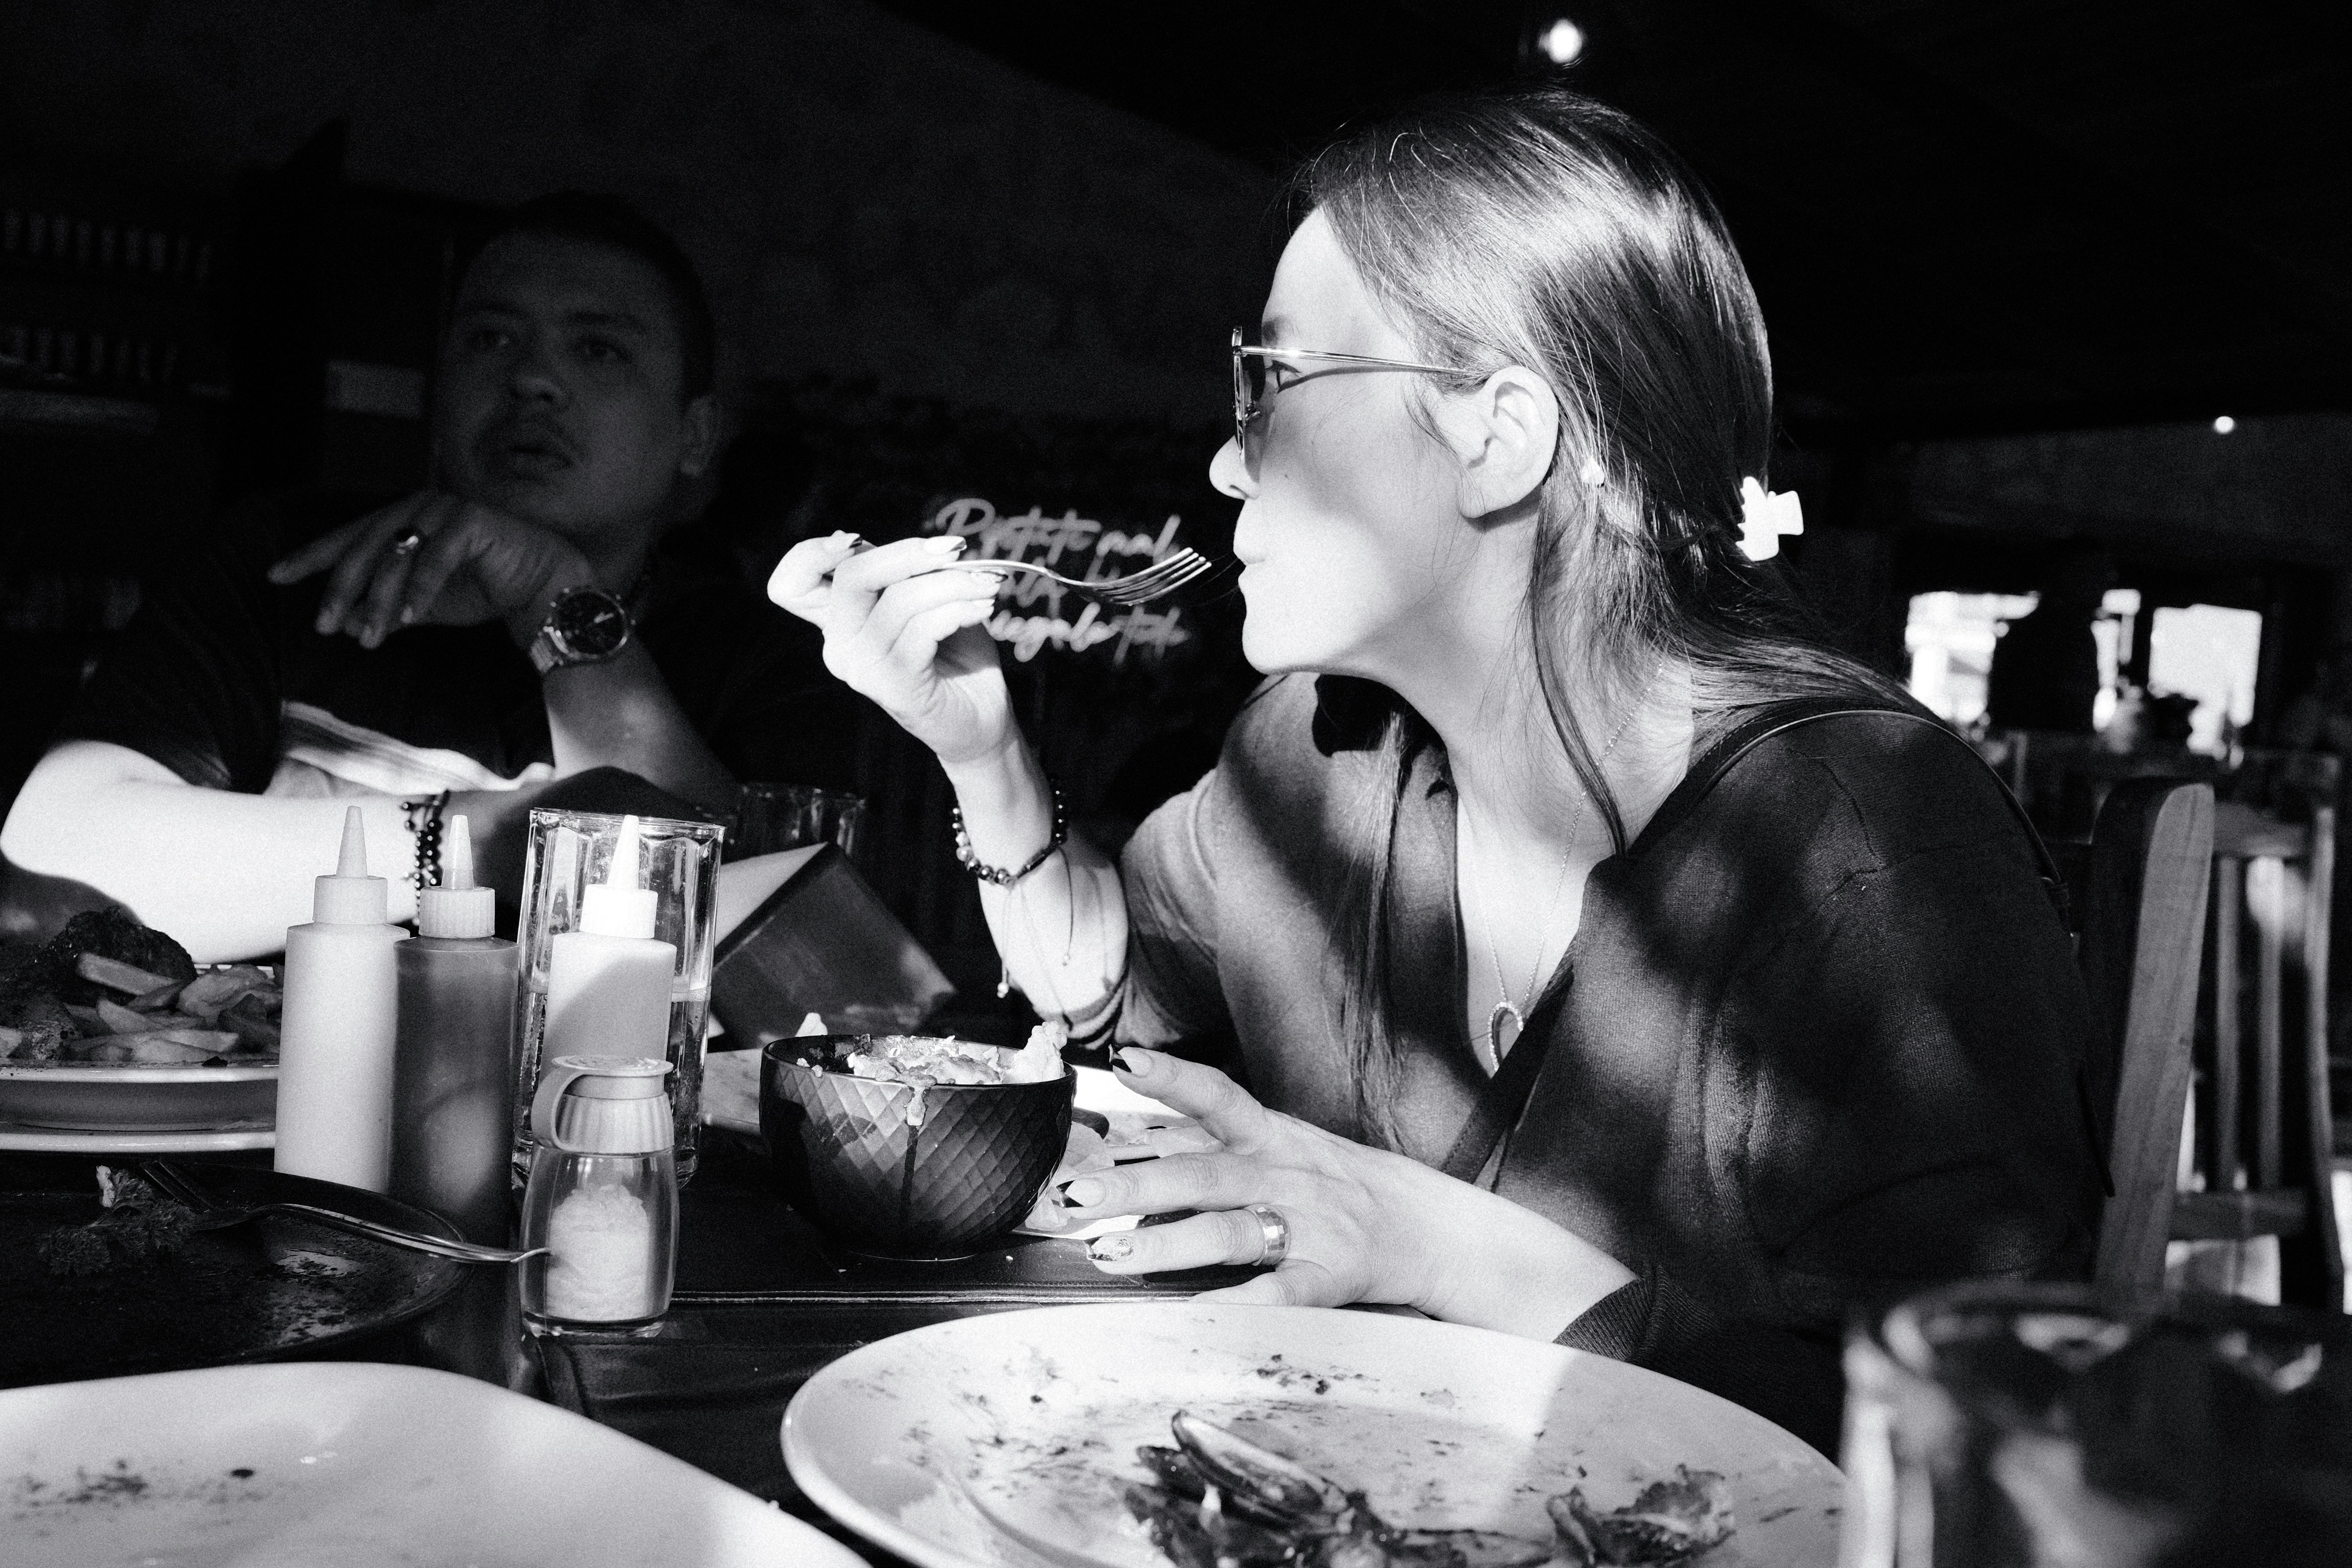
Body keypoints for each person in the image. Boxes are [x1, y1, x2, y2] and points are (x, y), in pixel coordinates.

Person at [770, 89, 2104, 1456]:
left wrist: (1434, 1247)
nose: (1229, 459)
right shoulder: (1319, 746)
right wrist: (980, 748)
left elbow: (1985, 1449)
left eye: (1275, 381)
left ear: (1498, 434)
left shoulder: (1866, 851)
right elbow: (1119, 997)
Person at [1, 193, 861, 959]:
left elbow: (804, 982)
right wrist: (467, 845)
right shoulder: (294, 563)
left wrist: (554, 595)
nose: (532, 379)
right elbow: (45, 876)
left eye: (599, 349)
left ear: (694, 436)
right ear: (439, 394)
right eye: (491, 338)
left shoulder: (764, 663)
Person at [1984, 546, 2114, 733]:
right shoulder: (2070, 636)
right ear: (2072, 578)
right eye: (2099, 574)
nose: (2107, 585)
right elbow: (2071, 712)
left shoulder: (2026, 632)